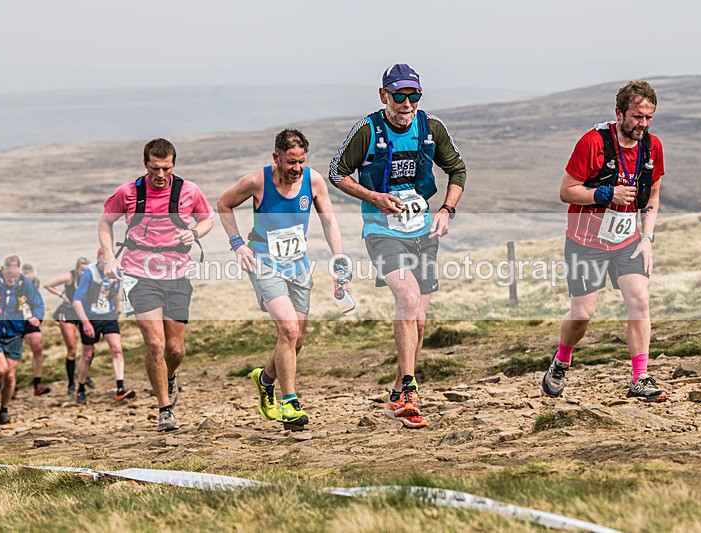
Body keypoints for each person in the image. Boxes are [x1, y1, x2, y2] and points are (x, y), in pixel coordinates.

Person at [329, 64, 467, 429]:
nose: (407, 104)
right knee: (406, 299)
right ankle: (409, 388)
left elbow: (458, 171)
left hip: (423, 231)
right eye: (399, 96)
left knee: (418, 323)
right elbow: (336, 172)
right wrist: (373, 197)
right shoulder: (369, 129)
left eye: (414, 96)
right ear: (383, 95)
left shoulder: (431, 128)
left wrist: (446, 211)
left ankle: (396, 397)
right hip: (382, 231)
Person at [542, 80, 668, 403]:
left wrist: (648, 236)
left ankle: (640, 378)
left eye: (649, 118)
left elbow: (652, 193)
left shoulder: (652, 148)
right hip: (585, 241)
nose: (643, 124)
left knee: (640, 300)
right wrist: (606, 193)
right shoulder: (592, 143)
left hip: (628, 240)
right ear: (619, 113)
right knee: (582, 314)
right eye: (637, 117)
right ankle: (561, 360)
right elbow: (565, 191)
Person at [218, 128, 349, 429]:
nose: (297, 168)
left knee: (296, 339)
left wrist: (339, 260)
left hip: (297, 263)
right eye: (291, 162)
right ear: (276, 158)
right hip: (264, 260)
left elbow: (329, 220)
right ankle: (289, 403)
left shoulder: (313, 181)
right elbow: (223, 204)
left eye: (302, 161)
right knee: (288, 329)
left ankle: (265, 380)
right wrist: (237, 243)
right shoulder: (257, 181)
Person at [99, 138, 214, 431]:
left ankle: (169, 377)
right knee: (154, 343)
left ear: (173, 164)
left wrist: (196, 233)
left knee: (174, 350)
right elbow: (105, 222)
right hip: (140, 274)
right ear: (145, 164)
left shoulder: (189, 190)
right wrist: (110, 258)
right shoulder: (127, 193)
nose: (160, 175)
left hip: (177, 274)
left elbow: (208, 218)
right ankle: (165, 409)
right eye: (154, 168)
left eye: (166, 168)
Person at [0, 255, 45, 425]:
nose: (12, 280)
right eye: (9, 276)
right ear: (2, 270)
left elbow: (38, 302)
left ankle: (4, 411)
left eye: (15, 276)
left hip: (15, 333)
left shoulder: (23, 284)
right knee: (0, 369)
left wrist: (37, 317)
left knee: (10, 374)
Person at [71, 249, 135, 404]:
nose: (107, 262)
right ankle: (80, 388)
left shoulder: (115, 270)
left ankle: (120, 388)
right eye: (104, 258)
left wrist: (117, 310)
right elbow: (76, 300)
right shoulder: (90, 273)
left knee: (117, 349)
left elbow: (116, 292)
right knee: (87, 355)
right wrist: (85, 322)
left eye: (110, 259)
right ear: (98, 259)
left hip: (108, 316)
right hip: (90, 317)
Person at [43, 257, 96, 394]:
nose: (85, 273)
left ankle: (84, 374)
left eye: (87, 270)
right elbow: (47, 284)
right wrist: (61, 294)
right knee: (72, 349)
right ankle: (71, 383)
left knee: (90, 348)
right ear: (77, 269)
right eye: (82, 270)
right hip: (67, 312)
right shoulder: (69, 277)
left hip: (82, 313)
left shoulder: (91, 277)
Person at [20, 263, 51, 396]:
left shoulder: (35, 282)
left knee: (37, 346)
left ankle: (37, 383)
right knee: (12, 352)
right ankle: (11, 385)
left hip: (29, 318)